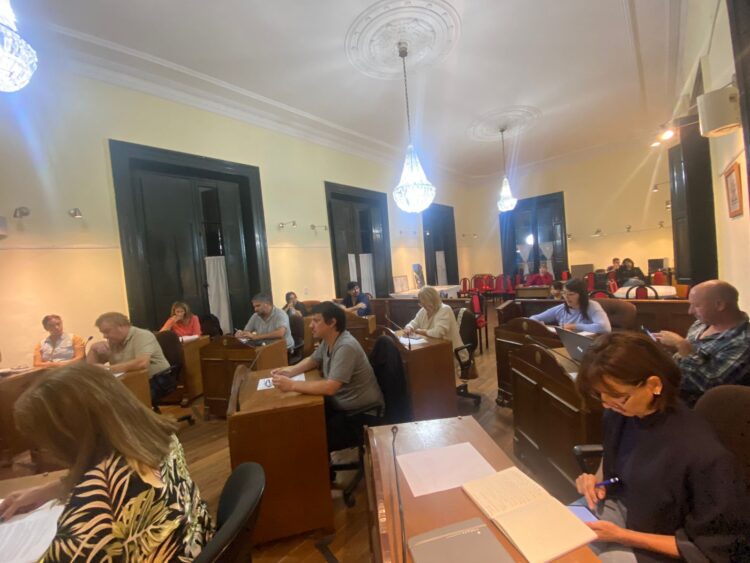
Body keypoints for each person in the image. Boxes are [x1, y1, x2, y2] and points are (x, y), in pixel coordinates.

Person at [0, 364, 214, 560]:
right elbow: (111, 477)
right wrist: (47, 491)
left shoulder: (91, 509)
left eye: (44, 442)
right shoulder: (157, 439)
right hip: (194, 544)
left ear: (68, 437)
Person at [574, 332, 749, 562]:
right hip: (621, 511)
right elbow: (611, 460)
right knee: (556, 536)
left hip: (664, 539)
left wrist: (623, 537)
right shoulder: (621, 414)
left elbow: (711, 550)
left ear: (654, 385)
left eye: (619, 397)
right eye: (601, 396)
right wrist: (595, 481)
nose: (607, 405)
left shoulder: (702, 453)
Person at [271, 302, 383, 451]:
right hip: (342, 405)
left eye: (316, 321)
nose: (311, 325)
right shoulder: (329, 341)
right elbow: (313, 360)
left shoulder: (346, 346)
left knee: (312, 437)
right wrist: (290, 372)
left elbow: (330, 387)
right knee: (304, 422)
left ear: (332, 322)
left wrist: (291, 385)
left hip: (362, 414)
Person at [655, 280, 750, 407]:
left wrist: (682, 346)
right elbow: (685, 360)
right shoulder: (701, 324)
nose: (690, 311)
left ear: (719, 305)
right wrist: (672, 350)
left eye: (697, 305)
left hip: (700, 407)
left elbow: (711, 385)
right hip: (670, 390)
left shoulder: (743, 341)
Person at [88, 312, 170, 380]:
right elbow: (91, 369)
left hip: (157, 381)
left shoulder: (142, 335)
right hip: (131, 381)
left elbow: (142, 363)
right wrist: (93, 349)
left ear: (120, 326)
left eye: (107, 331)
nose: (104, 336)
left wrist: (109, 369)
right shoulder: (113, 341)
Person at [404, 286, 468, 361]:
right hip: (434, 351)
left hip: (452, 354)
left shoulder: (445, 309)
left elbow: (438, 333)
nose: (424, 307)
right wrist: (409, 327)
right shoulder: (423, 310)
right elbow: (414, 323)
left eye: (426, 304)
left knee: (423, 363)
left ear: (434, 300)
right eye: (422, 304)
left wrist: (421, 331)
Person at [529, 278, 611, 333]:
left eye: (571, 294)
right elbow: (534, 318)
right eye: (564, 293)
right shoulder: (561, 308)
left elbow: (605, 328)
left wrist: (574, 326)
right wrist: (540, 326)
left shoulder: (592, 306)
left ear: (581, 295)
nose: (566, 297)